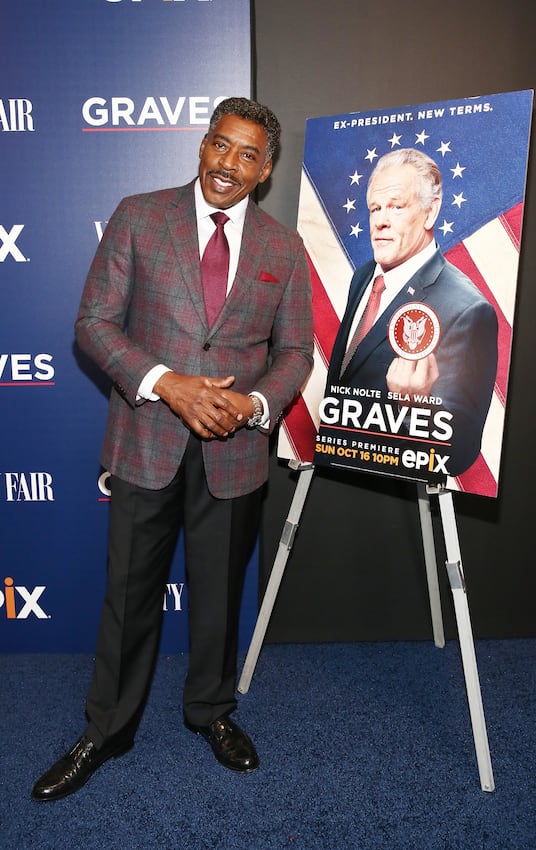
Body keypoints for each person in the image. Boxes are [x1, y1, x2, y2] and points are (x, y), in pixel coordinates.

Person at [32, 97, 314, 801]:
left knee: (219, 597)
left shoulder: (284, 246)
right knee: (129, 595)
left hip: (237, 451)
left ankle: (212, 712)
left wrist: (250, 406)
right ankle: (107, 727)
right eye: (221, 146)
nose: (229, 164)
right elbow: (94, 323)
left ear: (266, 169)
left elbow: (296, 351)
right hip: (146, 439)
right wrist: (169, 385)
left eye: (248, 155)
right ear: (203, 146)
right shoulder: (138, 215)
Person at [325, 148, 498, 477]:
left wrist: (414, 407)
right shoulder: (364, 276)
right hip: (333, 472)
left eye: (396, 206)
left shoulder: (468, 310)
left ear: (431, 212)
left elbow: (459, 450)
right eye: (375, 208)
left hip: (398, 496)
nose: (380, 220)